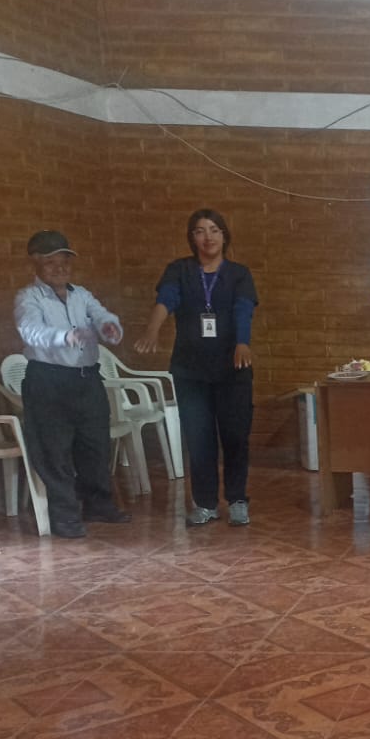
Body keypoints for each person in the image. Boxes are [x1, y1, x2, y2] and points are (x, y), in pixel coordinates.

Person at [137, 209, 258, 527]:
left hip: (233, 368)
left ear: (225, 235)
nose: (208, 237)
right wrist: (152, 329)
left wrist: (242, 342)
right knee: (199, 438)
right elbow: (166, 299)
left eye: (215, 230)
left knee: (235, 436)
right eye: (200, 231)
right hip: (190, 371)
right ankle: (205, 504)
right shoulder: (179, 270)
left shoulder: (239, 274)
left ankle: (237, 499)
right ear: (192, 238)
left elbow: (243, 309)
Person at [13, 230, 130, 540]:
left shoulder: (82, 295)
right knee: (55, 452)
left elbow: (102, 315)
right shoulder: (28, 298)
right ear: (35, 263)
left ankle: (98, 505)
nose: (60, 268)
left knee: (95, 445)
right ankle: (64, 517)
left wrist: (110, 326)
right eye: (51, 262)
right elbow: (31, 330)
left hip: (86, 379)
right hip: (48, 381)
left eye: (65, 261)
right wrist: (63, 337)